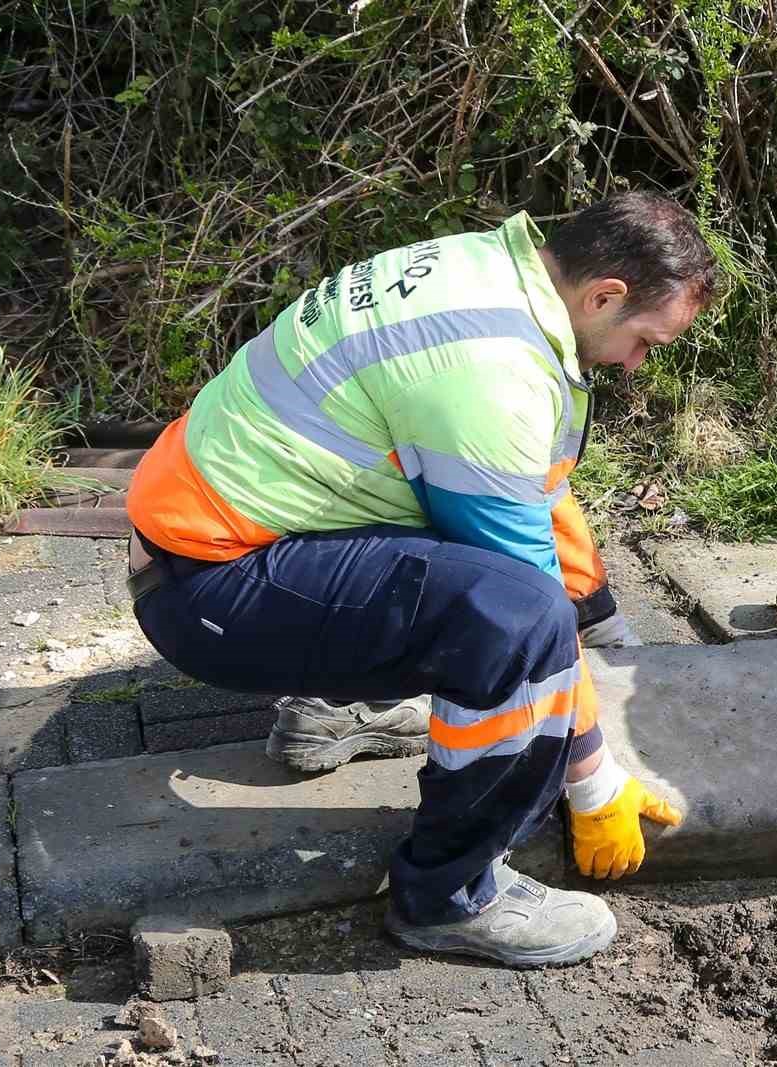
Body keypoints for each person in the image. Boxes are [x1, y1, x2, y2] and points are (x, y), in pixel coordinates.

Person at [124, 191, 718, 963]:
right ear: (604, 294)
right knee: (518, 623)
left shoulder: (491, 272)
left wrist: (609, 624)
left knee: (479, 571)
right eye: (646, 340)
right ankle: (450, 895)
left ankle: (338, 708)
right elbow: (524, 591)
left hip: (200, 539)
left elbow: (535, 490)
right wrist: (595, 780)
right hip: (208, 590)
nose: (638, 365)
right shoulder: (490, 374)